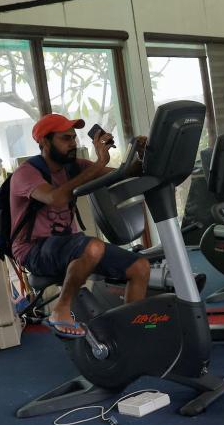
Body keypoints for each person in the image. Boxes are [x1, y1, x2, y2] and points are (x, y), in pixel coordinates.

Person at [9, 115, 150, 339]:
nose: (73, 143)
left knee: (140, 267)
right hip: (33, 249)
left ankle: (129, 336)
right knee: (92, 247)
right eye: (65, 138)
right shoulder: (26, 173)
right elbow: (56, 198)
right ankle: (60, 311)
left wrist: (143, 152)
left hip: (69, 245)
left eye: (74, 138)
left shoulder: (75, 167)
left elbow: (125, 173)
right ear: (44, 142)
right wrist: (98, 164)